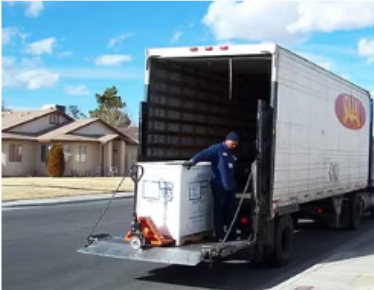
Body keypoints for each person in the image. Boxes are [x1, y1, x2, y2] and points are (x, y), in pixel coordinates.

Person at [183, 131, 239, 241]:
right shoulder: (217, 149)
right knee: (219, 211)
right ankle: (219, 235)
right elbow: (203, 154)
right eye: (233, 143)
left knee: (231, 211)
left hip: (230, 187)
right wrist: (193, 161)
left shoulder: (232, 152)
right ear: (227, 140)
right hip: (219, 187)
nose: (234, 146)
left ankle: (232, 233)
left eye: (236, 144)